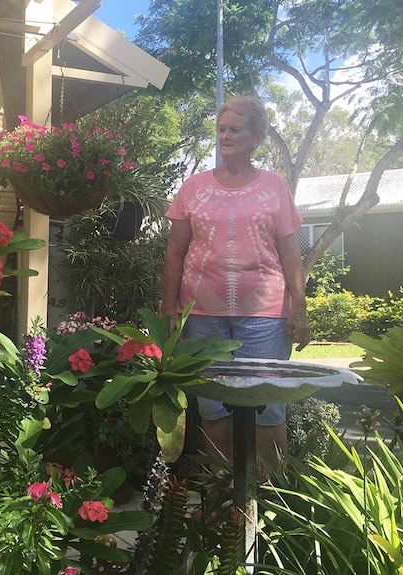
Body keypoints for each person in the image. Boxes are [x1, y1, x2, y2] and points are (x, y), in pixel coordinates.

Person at [161, 95, 311, 470]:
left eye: (235, 130)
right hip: (202, 318)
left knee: (269, 414)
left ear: (256, 136)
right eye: (222, 129)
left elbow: (291, 254)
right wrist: (169, 311)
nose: (225, 137)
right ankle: (221, 509)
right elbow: (174, 254)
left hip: (265, 318)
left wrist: (300, 307)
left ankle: (274, 508)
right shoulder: (192, 188)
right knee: (214, 415)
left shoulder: (275, 186)